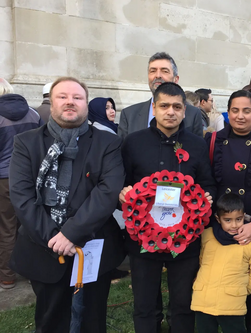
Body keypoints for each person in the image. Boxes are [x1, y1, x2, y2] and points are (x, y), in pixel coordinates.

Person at [8, 77, 125, 333]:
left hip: (94, 248)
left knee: (93, 321)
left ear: (85, 103)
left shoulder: (108, 143)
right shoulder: (26, 142)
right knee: (51, 321)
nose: (70, 102)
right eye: (62, 97)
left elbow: (107, 191)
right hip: (44, 249)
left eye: (77, 97)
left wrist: (71, 233)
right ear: (52, 102)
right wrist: (55, 239)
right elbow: (21, 195)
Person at [119, 82, 216, 333]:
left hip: (185, 238)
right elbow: (121, 182)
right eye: (164, 106)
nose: (170, 112)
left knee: (183, 302)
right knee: (144, 303)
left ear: (185, 111)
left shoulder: (197, 144)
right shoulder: (133, 142)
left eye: (176, 107)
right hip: (143, 239)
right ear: (154, 108)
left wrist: (208, 198)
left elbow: (207, 182)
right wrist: (123, 193)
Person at [205, 90, 251, 332]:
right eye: (235, 110)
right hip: (222, 221)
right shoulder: (214, 140)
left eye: (246, 110)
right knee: (221, 276)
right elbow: (209, 182)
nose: (240, 116)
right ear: (228, 113)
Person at [191, 193, 251, 333]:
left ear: (244, 216)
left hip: (232, 304)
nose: (234, 225)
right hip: (203, 301)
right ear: (218, 219)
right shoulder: (208, 235)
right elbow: (202, 261)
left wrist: (241, 290)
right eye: (228, 220)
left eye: (238, 219)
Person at [0, 78, 43, 290]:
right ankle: (31, 269)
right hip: (30, 177)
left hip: (4, 179)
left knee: (7, 227)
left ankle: (7, 276)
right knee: (29, 223)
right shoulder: (33, 113)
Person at [118, 52, 203, 138]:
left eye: (164, 71)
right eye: (153, 71)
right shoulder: (129, 115)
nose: (158, 75)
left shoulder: (193, 115)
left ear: (175, 79)